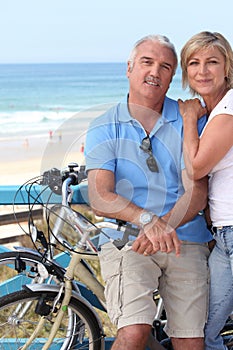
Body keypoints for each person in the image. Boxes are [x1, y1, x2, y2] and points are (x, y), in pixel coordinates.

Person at [85, 35, 213, 350]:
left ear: (173, 77)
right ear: (129, 68)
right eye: (147, 62)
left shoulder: (190, 120)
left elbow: (196, 190)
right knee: (133, 333)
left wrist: (164, 225)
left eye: (165, 66)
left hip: (186, 238)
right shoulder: (105, 125)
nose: (155, 71)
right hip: (127, 238)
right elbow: (101, 196)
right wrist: (147, 220)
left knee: (191, 342)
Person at [178, 31, 233, 350]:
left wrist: (187, 118)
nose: (202, 71)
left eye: (212, 61)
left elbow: (197, 168)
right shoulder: (216, 112)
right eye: (194, 63)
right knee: (207, 332)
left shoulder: (227, 110)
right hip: (224, 234)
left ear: (227, 66)